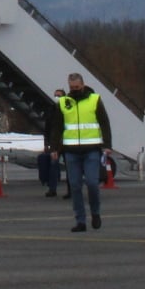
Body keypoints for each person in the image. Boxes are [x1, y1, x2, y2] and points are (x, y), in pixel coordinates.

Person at [46, 71, 112, 232]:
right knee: (74, 186)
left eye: (77, 86)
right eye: (71, 87)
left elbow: (104, 122)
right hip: (71, 151)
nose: (74, 89)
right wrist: (54, 148)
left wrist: (107, 144)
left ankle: (95, 212)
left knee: (91, 183)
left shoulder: (94, 100)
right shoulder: (63, 102)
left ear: (83, 85)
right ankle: (80, 220)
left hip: (92, 149)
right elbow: (57, 127)